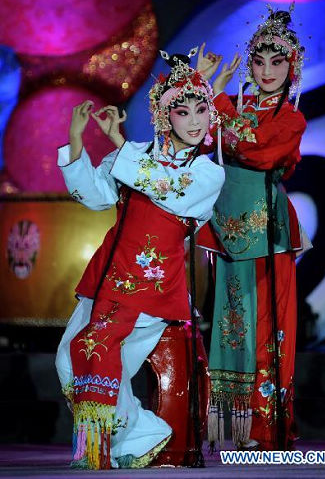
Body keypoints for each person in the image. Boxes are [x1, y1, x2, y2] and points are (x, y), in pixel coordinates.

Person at [55, 49, 225, 469]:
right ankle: (136, 434)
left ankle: (122, 439)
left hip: (148, 287)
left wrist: (119, 142)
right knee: (67, 360)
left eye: (201, 109)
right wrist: (78, 142)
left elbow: (166, 187)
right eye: (182, 111)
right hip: (106, 276)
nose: (194, 120)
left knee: (94, 349)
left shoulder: (206, 172)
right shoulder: (136, 154)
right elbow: (94, 196)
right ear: (165, 117)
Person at [196, 6, 308, 451]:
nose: (265, 71)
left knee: (268, 326)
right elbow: (200, 137)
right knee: (231, 324)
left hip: (268, 232)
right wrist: (204, 91)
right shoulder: (233, 104)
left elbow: (257, 151)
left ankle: (268, 427)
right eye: (258, 61)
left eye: (277, 62)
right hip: (228, 230)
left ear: (291, 66)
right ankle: (233, 429)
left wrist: (217, 104)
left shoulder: (292, 120)